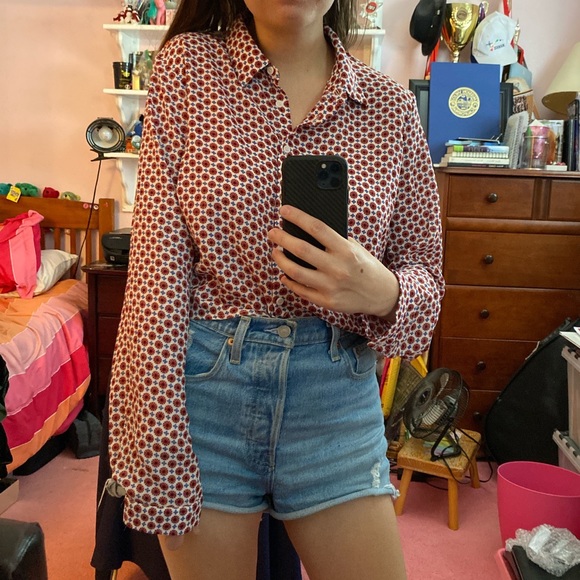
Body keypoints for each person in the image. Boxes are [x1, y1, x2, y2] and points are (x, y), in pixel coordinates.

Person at [107, 1, 445, 578]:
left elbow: (426, 280)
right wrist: (155, 437)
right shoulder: (187, 70)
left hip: (335, 400)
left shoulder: (388, 107)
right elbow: (156, 276)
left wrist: (383, 291)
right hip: (205, 394)